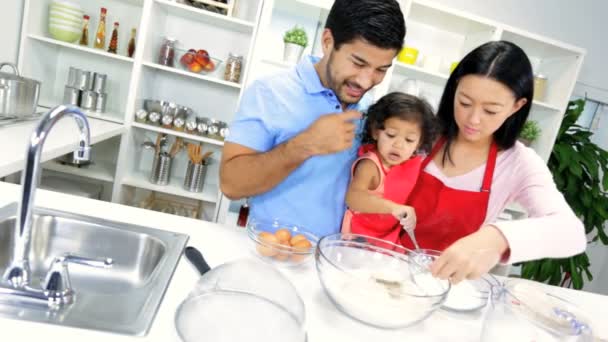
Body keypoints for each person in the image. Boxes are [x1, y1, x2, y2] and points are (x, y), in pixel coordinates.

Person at [400, 41, 586, 284]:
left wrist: (494, 239)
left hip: (447, 287)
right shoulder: (420, 133)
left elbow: (571, 233)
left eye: (491, 110)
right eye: (465, 102)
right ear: (455, 87)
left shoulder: (519, 162)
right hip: (385, 266)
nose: (473, 119)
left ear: (516, 107)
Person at [220, 0, 406, 237]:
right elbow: (231, 184)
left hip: (333, 259)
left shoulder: (371, 112)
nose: (366, 81)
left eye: (381, 69)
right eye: (358, 63)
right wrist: (305, 145)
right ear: (328, 42)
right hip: (270, 253)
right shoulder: (269, 93)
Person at [341, 92, 437, 244]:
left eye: (409, 140)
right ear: (376, 131)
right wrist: (394, 208)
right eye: (391, 135)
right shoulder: (370, 165)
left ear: (419, 143)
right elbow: (353, 198)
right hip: (360, 238)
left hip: (388, 236)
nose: (398, 145)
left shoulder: (412, 163)